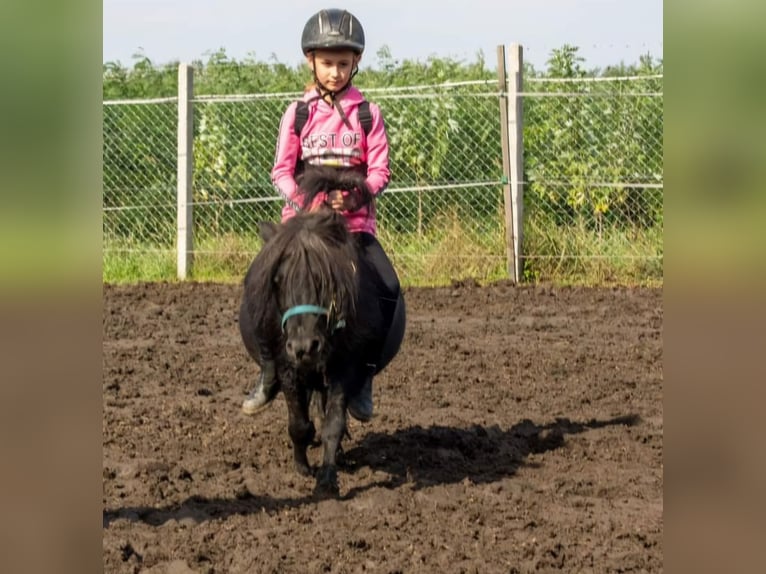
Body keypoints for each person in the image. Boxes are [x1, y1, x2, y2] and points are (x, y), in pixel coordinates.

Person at [242, 8, 400, 422]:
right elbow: (281, 170)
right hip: (303, 230)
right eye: (327, 63)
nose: (335, 72)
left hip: (353, 229)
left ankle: (364, 379)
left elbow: (380, 170)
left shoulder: (370, 114)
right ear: (311, 61)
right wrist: (305, 204)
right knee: (256, 281)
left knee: (387, 287)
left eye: (343, 63)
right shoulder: (297, 113)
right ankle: (269, 369)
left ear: (356, 63)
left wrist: (356, 197)